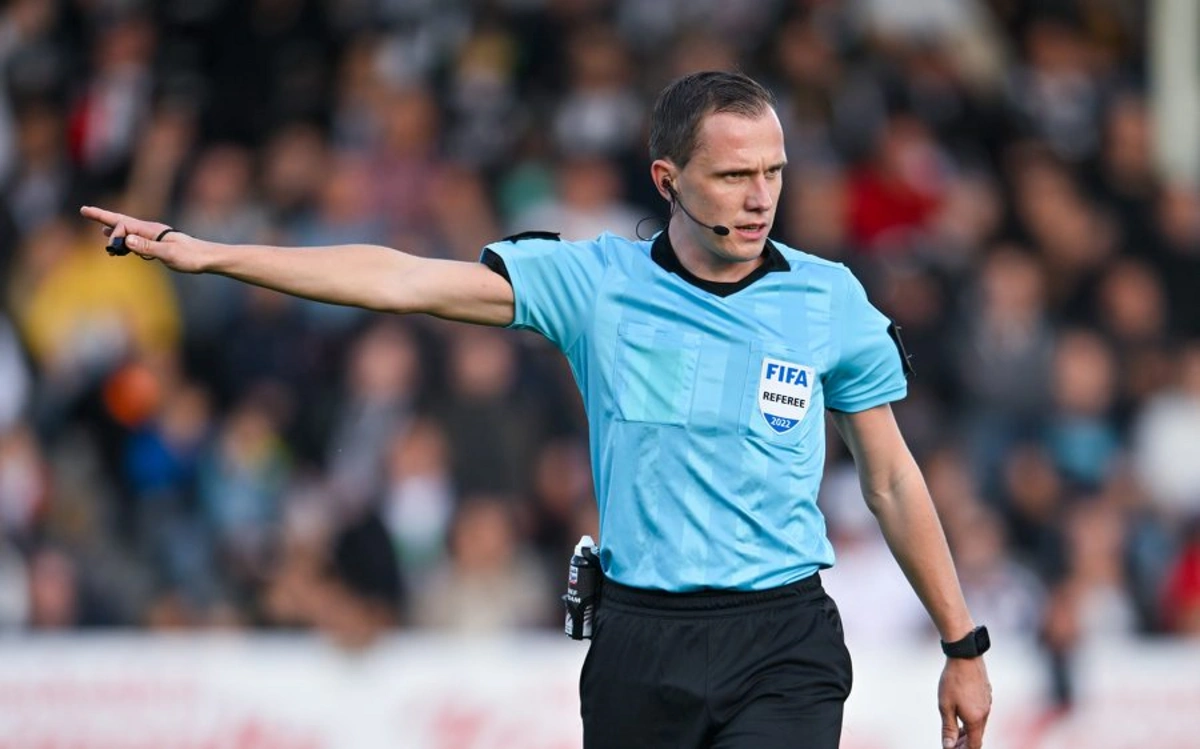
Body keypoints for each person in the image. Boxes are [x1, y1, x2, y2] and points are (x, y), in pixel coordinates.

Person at [81, 70, 992, 749]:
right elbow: (401, 279)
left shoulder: (830, 299)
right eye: (732, 176)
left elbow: (890, 479)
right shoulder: (594, 282)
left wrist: (962, 643)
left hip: (783, 639)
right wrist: (213, 254)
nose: (761, 198)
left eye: (774, 172)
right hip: (641, 643)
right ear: (668, 179)